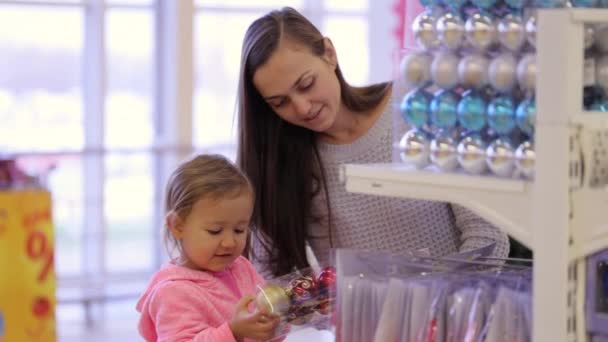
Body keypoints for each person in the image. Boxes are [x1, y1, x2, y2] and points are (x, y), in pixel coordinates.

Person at [236, 7, 510, 278]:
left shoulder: (420, 108)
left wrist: (439, 306)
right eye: (280, 103)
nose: (302, 107)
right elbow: (268, 280)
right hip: (359, 322)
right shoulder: (283, 164)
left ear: (329, 53)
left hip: (455, 315)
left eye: (306, 84)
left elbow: (487, 236)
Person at [136, 154, 280, 341]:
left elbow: (264, 328)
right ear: (178, 226)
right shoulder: (173, 293)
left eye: (239, 229)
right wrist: (234, 332)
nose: (229, 242)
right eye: (215, 231)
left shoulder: (242, 268)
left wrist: (276, 322)